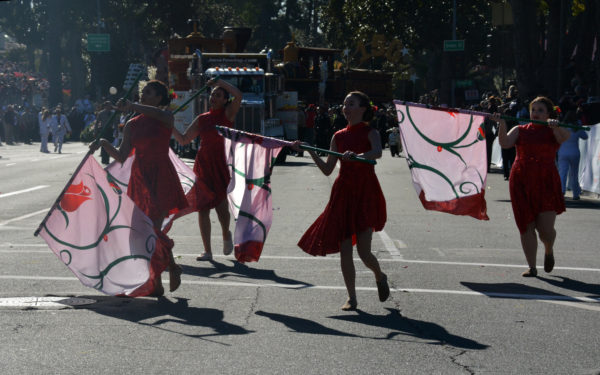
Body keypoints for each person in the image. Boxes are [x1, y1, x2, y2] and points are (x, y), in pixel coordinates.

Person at [90, 80, 188, 296]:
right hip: (140, 178)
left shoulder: (166, 118)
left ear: (160, 98)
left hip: (162, 176)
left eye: (149, 92)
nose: (143, 95)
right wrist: (105, 143)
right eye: (142, 92)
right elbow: (122, 156)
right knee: (142, 232)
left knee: (153, 228)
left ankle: (167, 269)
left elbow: (156, 115)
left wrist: (132, 106)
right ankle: (161, 277)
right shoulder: (132, 124)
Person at [293, 91, 389, 311]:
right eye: (345, 104)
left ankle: (379, 275)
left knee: (364, 253)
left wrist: (358, 156)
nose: (346, 107)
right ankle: (352, 297)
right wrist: (309, 151)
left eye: (351, 104)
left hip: (365, 193)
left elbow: (377, 152)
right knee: (345, 248)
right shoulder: (338, 136)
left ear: (363, 108)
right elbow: (328, 169)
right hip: (343, 194)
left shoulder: (370, 132)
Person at [492, 96, 570, 277]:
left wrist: (556, 125)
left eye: (540, 110)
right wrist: (502, 123)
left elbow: (564, 137)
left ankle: (548, 249)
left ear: (548, 114)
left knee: (545, 230)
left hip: (546, 182)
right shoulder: (520, 129)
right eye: (533, 109)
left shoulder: (554, 131)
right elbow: (505, 143)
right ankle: (532, 266)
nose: (535, 113)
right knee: (525, 225)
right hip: (521, 181)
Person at [172, 77, 242, 261]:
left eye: (218, 95)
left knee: (220, 207)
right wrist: (169, 125)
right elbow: (184, 139)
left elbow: (238, 95)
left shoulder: (228, 114)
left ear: (225, 100)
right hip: (203, 164)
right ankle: (207, 251)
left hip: (220, 164)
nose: (214, 97)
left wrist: (220, 82)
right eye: (213, 94)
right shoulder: (202, 119)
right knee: (202, 208)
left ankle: (226, 233)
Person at [557, 111, 588, 200]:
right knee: (574, 174)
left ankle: (561, 191)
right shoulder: (577, 127)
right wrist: (580, 127)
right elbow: (585, 137)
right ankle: (576, 194)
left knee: (562, 172)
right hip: (574, 152)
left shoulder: (562, 126)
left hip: (563, 152)